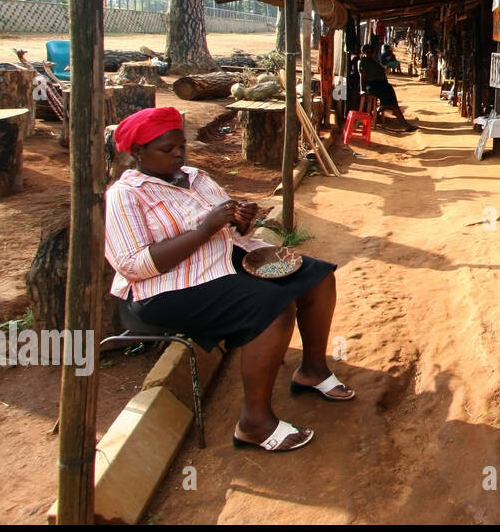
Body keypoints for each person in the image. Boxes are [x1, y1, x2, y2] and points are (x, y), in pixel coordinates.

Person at [104, 107, 355, 453]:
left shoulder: (195, 177)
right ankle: (254, 422)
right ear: (137, 153)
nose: (179, 154)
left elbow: (230, 224)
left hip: (225, 261)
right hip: (168, 287)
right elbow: (133, 265)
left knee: (318, 277)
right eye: (167, 150)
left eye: (181, 147)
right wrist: (204, 229)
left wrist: (240, 220)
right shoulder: (126, 195)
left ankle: (312, 370)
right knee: (271, 309)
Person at [358, 43, 417, 131]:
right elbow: (362, 76)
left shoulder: (373, 60)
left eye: (372, 52)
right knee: (392, 101)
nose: (371, 53)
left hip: (381, 84)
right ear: (365, 52)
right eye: (369, 52)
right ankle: (379, 111)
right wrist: (362, 90)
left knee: (392, 100)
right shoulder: (363, 61)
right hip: (373, 86)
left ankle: (403, 123)